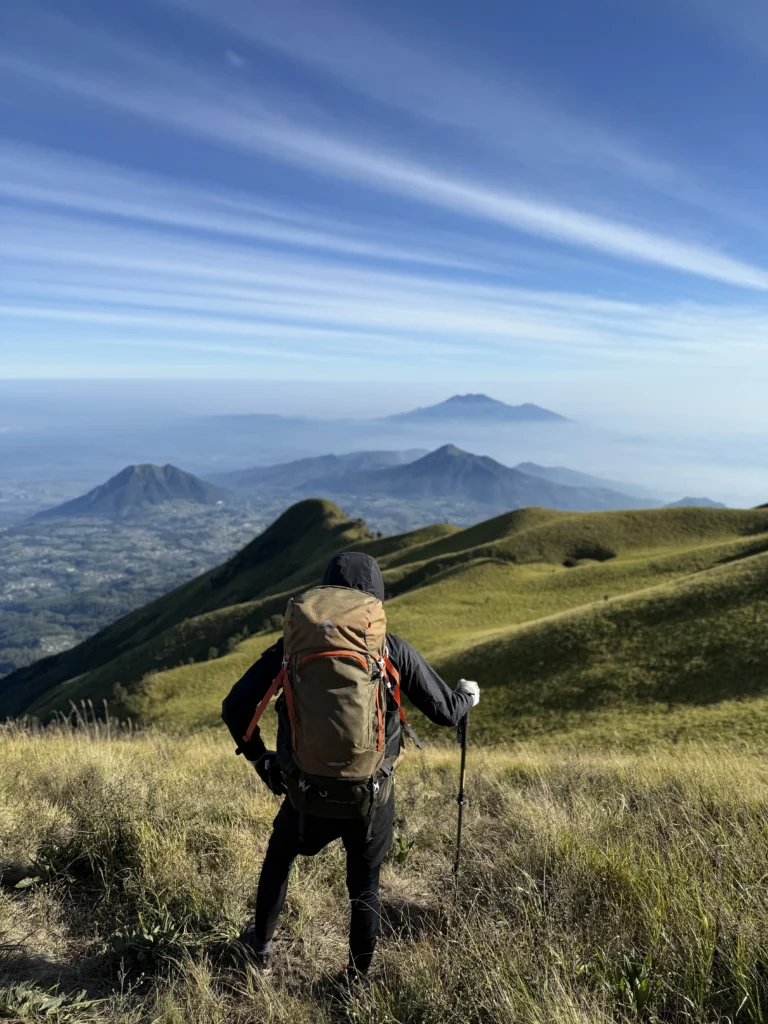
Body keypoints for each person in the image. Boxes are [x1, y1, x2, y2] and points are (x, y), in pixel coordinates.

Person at [222, 551, 480, 981]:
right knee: (365, 887)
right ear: (374, 600)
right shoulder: (389, 648)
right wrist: (467, 696)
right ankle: (356, 980)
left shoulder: (293, 644)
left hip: (305, 792)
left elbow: (235, 708)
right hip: (369, 797)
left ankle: (261, 952)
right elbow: (445, 712)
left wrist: (260, 759)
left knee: (280, 857)